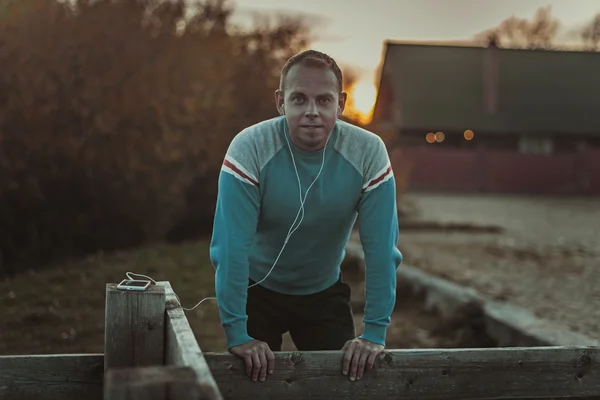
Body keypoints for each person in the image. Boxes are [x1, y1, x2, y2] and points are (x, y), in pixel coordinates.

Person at [209, 49, 403, 383]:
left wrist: (374, 332)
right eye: (299, 99)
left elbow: (381, 250)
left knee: (343, 384)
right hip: (256, 289)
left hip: (323, 293)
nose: (312, 112)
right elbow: (230, 247)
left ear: (340, 104)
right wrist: (237, 333)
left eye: (324, 100)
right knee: (252, 385)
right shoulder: (250, 148)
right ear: (280, 102)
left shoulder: (368, 152)